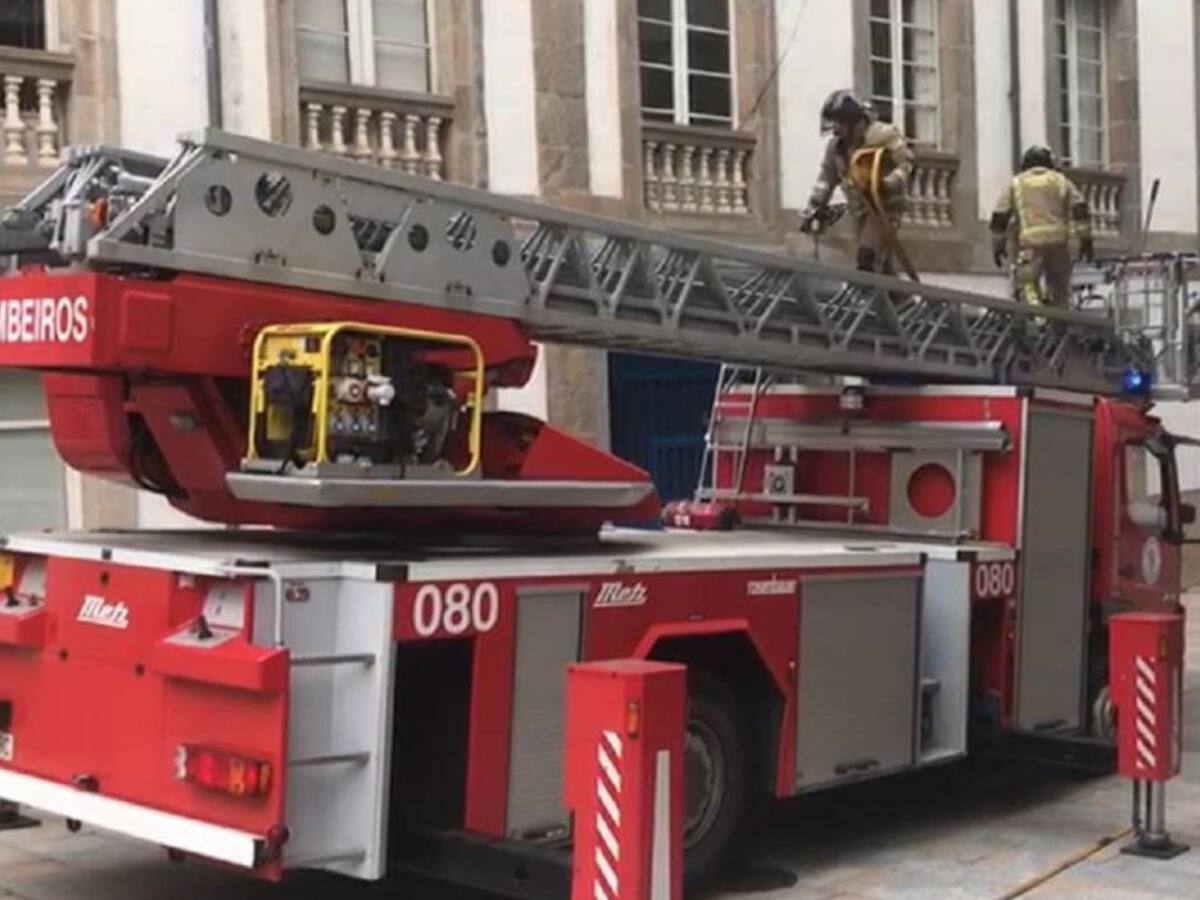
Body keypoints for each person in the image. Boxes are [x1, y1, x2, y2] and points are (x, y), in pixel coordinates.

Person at [800, 90, 915, 274]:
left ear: (854, 123)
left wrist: (887, 184)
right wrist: (814, 206)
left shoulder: (883, 136)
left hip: (884, 207)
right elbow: (826, 178)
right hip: (860, 209)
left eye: (839, 124)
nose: (835, 130)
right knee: (881, 264)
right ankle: (895, 292)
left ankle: (866, 291)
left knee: (867, 257)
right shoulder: (836, 148)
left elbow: (905, 165)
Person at [990, 145, 1094, 308]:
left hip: (1030, 247)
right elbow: (1080, 209)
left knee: (1028, 287)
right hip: (1058, 246)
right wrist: (1086, 240)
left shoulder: (1016, 183)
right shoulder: (1061, 181)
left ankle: (1036, 317)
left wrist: (998, 245)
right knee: (1060, 292)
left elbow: (1000, 215)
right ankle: (1059, 319)